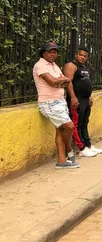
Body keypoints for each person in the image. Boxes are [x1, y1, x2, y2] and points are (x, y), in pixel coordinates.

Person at [32, 41, 80, 169]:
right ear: (44, 53)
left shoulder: (54, 66)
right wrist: (60, 81)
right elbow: (53, 82)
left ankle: (61, 161)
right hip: (49, 103)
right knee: (69, 126)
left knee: (60, 129)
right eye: (50, 52)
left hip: (59, 101)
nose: (53, 54)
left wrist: (61, 81)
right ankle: (69, 151)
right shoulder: (40, 65)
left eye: (55, 52)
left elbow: (66, 81)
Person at [63, 47, 102, 158]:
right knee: (76, 124)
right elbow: (68, 82)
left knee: (84, 122)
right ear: (76, 55)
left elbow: (85, 83)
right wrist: (73, 98)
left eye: (85, 56)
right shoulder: (71, 65)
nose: (83, 57)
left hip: (85, 99)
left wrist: (89, 96)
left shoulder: (83, 67)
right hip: (77, 99)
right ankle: (81, 148)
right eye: (81, 55)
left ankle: (88, 145)